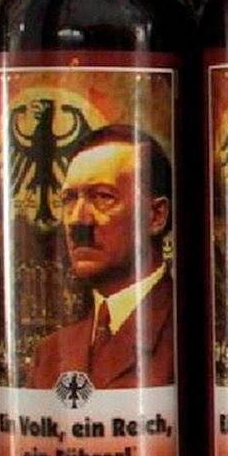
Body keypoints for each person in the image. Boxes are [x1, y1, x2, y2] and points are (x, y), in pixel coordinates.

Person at [26, 125, 175, 395]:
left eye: (103, 197)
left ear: (156, 216)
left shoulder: (188, 337)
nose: (77, 220)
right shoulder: (48, 354)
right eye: (70, 199)